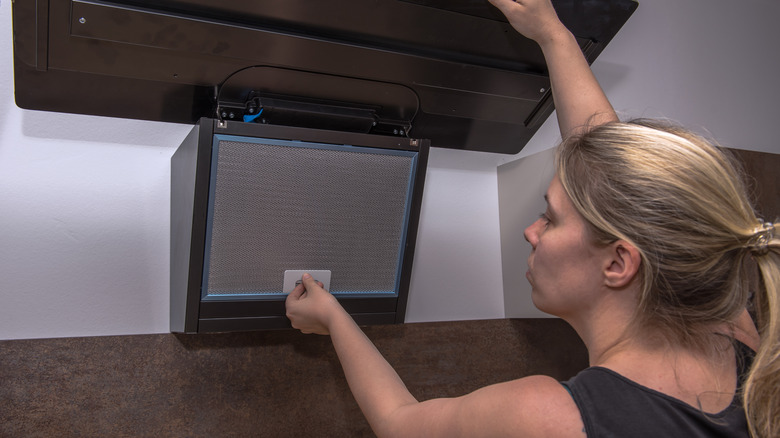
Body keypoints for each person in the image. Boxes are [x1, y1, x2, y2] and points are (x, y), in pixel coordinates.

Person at [285, 0, 780, 436]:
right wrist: (553, 34)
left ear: (619, 263)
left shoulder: (547, 418)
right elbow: (623, 186)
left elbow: (400, 424)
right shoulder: (740, 339)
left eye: (550, 219)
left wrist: (333, 318)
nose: (531, 231)